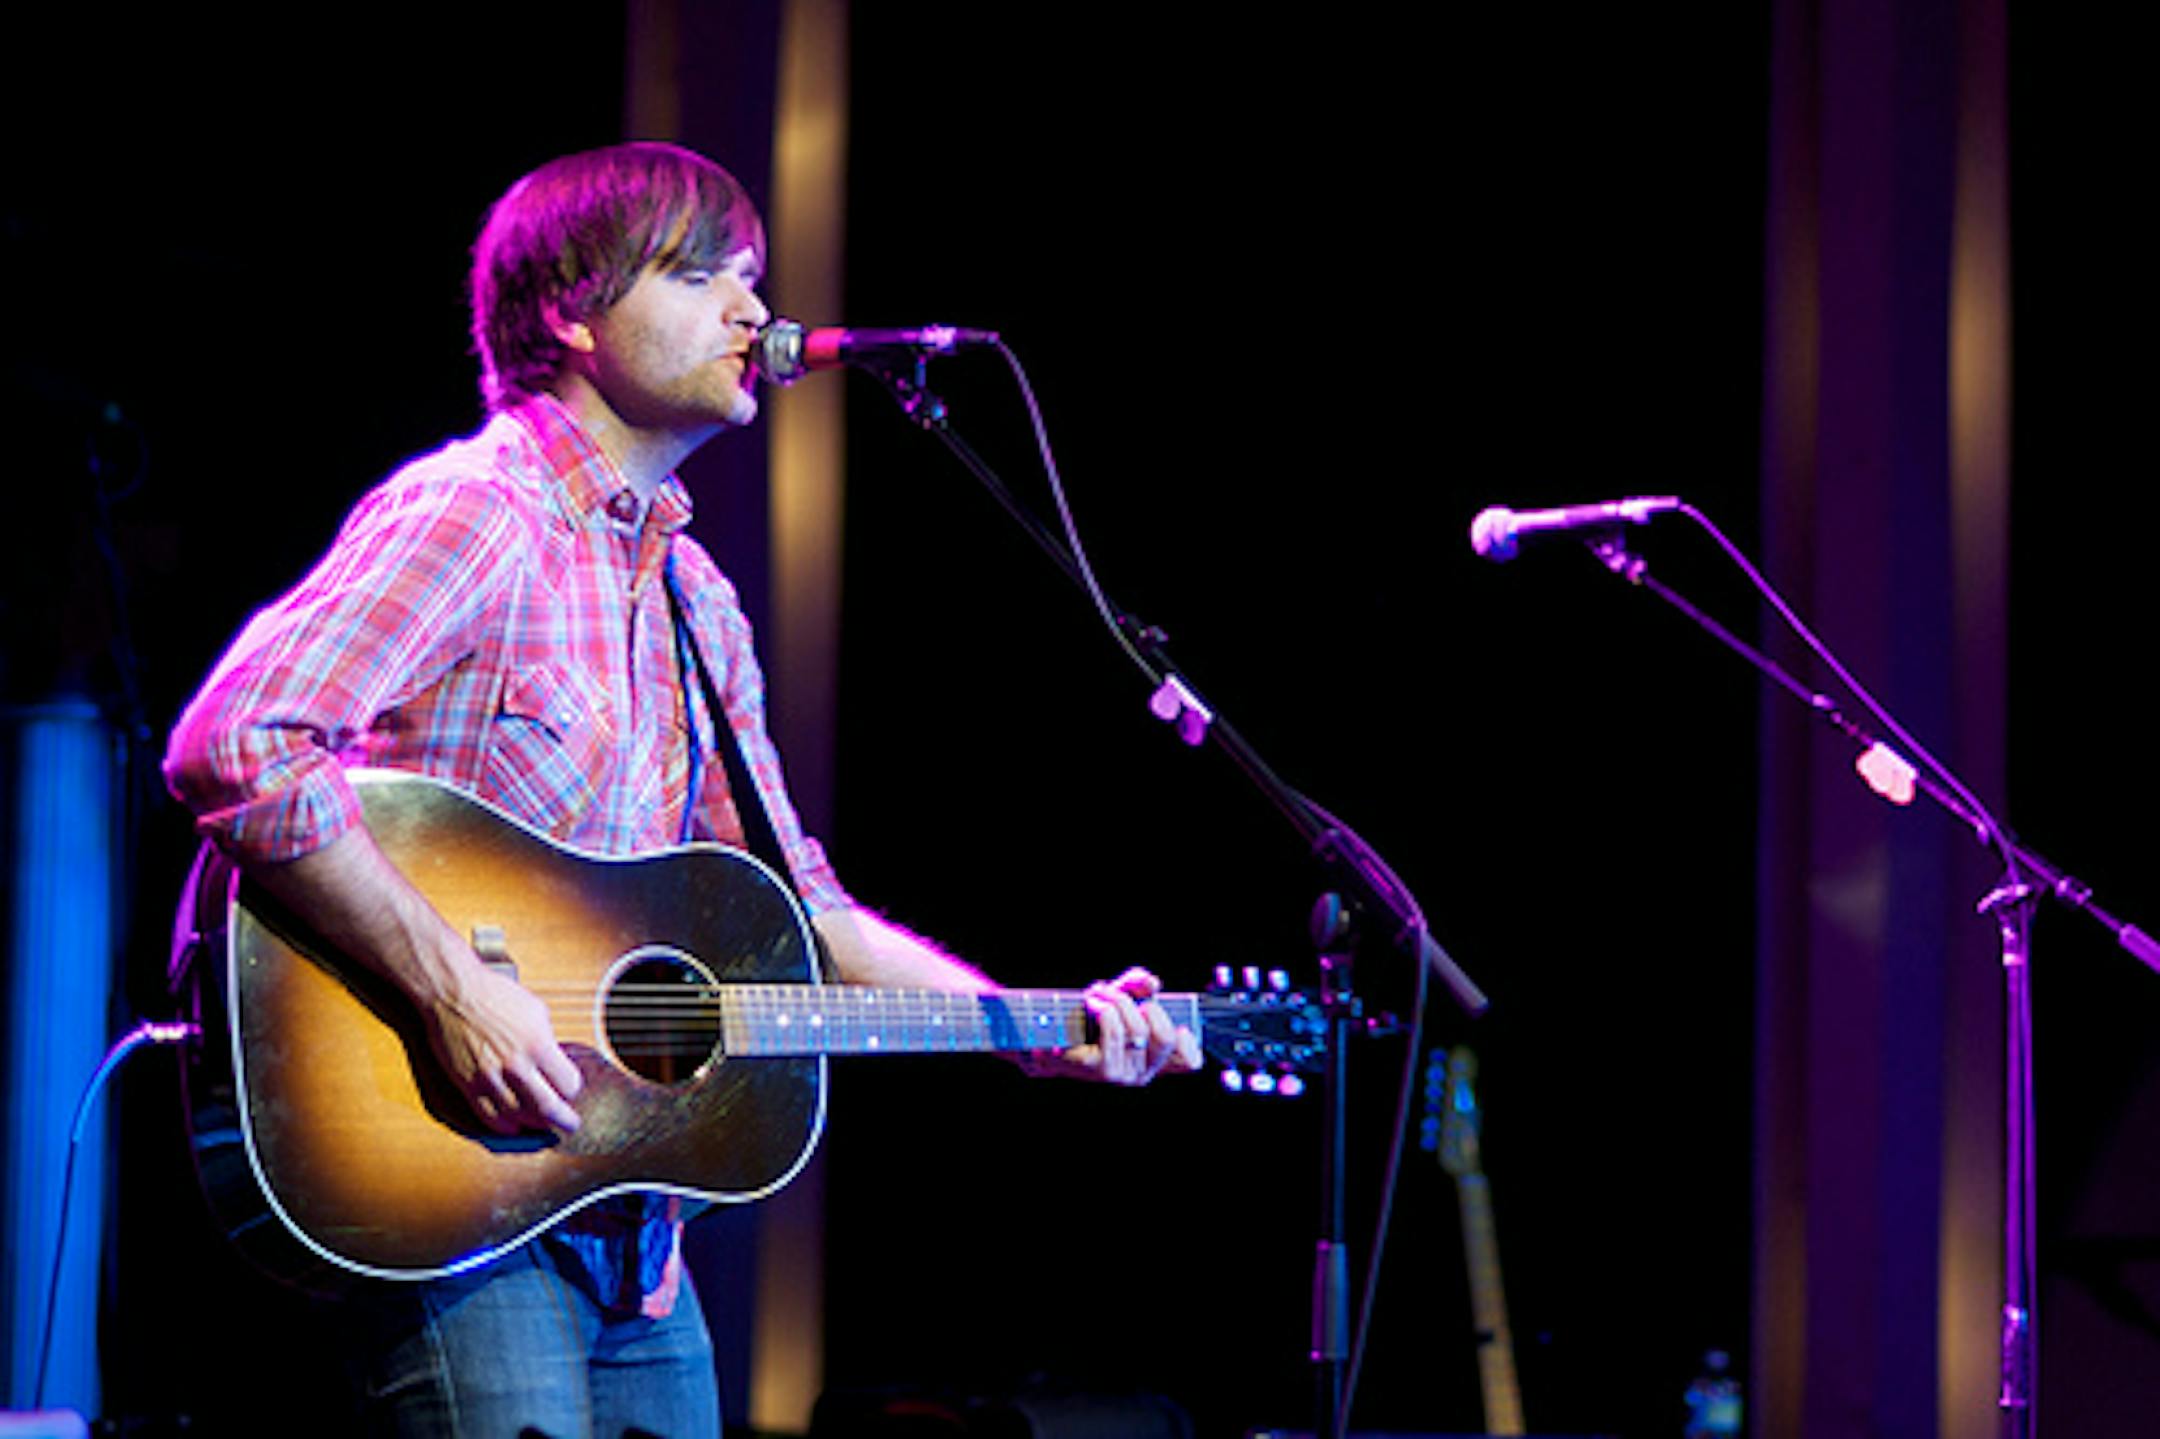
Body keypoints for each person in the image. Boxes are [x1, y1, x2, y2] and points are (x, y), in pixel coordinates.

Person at [163, 140, 1200, 1438]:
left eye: (753, 277)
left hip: (629, 1225)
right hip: (446, 1193)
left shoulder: (698, 600)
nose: (754, 312)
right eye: (702, 275)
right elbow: (237, 742)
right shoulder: (478, 514)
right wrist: (453, 989)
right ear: (573, 312)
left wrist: (1026, 1025)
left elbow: (804, 914)